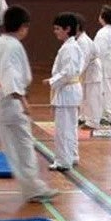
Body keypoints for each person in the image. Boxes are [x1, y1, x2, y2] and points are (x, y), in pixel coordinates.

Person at [0, 5, 57, 205]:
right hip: (9, 102)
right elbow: (10, 74)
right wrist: (22, 99)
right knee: (23, 144)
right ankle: (33, 188)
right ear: (23, 26)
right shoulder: (13, 46)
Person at [45, 12, 83, 172]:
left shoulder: (70, 48)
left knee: (64, 129)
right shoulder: (70, 46)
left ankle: (63, 160)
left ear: (67, 29)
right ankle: (72, 156)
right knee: (70, 127)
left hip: (67, 91)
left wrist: (52, 81)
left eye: (58, 28)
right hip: (69, 91)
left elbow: (69, 72)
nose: (55, 31)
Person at [75, 12, 102, 132]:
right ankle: (84, 116)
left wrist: (75, 75)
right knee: (84, 95)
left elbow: (84, 60)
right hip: (87, 70)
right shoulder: (79, 40)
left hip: (92, 70)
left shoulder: (83, 41)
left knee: (92, 96)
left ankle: (93, 121)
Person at [95, 5, 111, 127]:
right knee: (106, 88)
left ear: (103, 17)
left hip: (106, 62)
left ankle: (109, 115)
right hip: (109, 61)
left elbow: (99, 50)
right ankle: (103, 114)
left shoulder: (104, 32)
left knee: (107, 89)